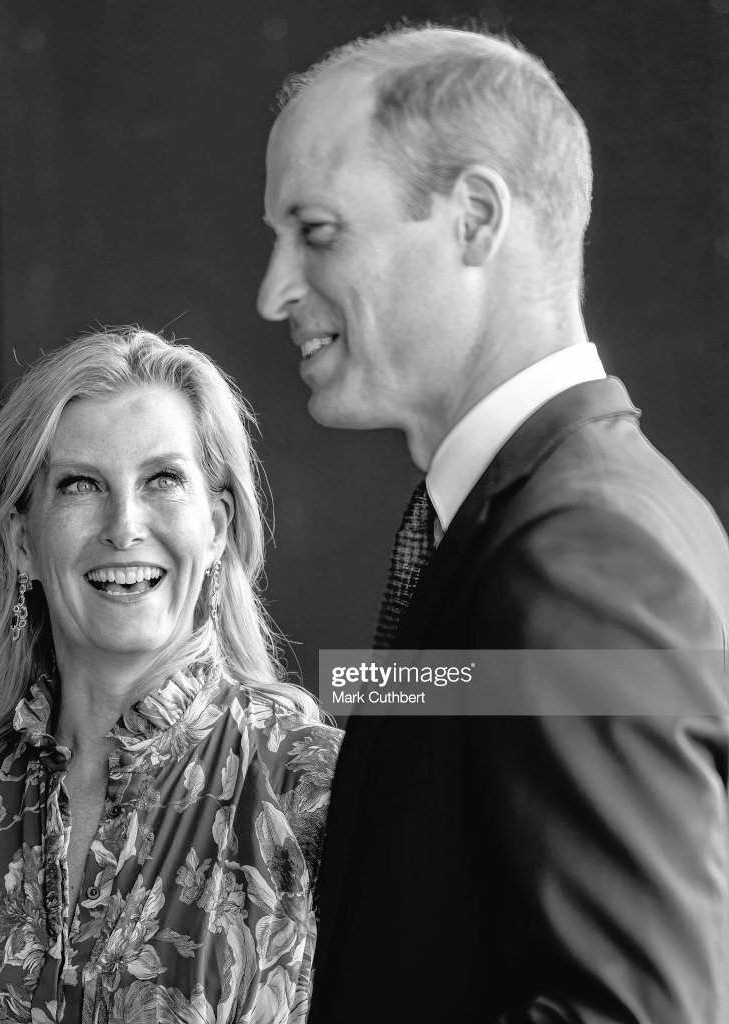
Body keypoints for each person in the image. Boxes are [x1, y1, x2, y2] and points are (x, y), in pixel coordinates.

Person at [257, 25, 729, 1024]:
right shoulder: (552, 520)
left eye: (316, 230)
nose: (274, 291)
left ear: (474, 216)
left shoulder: (583, 556)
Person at [0, 328, 341, 1022]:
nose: (124, 526)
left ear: (216, 528)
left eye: (162, 480)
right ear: (22, 542)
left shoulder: (316, 796)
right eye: (79, 485)